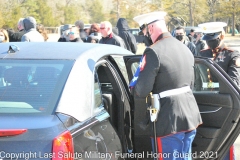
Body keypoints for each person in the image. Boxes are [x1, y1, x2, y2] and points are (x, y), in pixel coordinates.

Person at [131, 11, 202, 159]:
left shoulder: (153, 51)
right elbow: (191, 83)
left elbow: (142, 90)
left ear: (150, 29)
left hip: (168, 120)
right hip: (190, 114)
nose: (146, 36)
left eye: (146, 32)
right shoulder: (185, 48)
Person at [198, 22, 240, 160]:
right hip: (204, 102)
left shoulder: (231, 54)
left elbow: (233, 82)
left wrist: (210, 87)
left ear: (221, 36)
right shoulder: (201, 54)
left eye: (213, 38)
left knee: (223, 143)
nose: (210, 42)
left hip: (223, 103)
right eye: (208, 39)